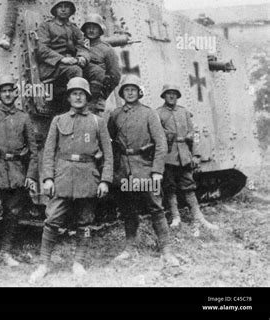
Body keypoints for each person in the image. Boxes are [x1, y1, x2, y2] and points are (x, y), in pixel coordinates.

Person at [29, 77, 113, 282]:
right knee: (52, 220)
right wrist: (47, 178)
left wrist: (105, 180)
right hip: (63, 177)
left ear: (87, 97)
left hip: (88, 177)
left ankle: (79, 262)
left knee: (85, 222)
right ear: (68, 97)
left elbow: (108, 155)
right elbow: (48, 152)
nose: (77, 97)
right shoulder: (58, 120)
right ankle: (44, 264)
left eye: (81, 93)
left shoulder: (97, 122)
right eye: (74, 93)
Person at [107, 75, 179, 266]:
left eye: (133, 89)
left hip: (145, 169)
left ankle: (166, 250)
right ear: (122, 93)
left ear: (139, 92)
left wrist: (156, 170)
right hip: (124, 170)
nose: (130, 93)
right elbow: (110, 143)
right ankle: (129, 248)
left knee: (155, 208)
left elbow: (161, 143)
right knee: (128, 210)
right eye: (126, 90)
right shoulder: (115, 115)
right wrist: (114, 169)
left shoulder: (149, 114)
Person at [0, 74, 38, 274]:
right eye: (3, 91)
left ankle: (5, 252)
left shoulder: (23, 117)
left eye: (11, 90)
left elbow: (33, 151)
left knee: (12, 214)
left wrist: (29, 175)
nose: (7, 94)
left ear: (16, 93)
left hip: (16, 174)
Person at [156, 84, 218, 236]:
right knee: (169, 187)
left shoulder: (184, 112)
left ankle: (198, 217)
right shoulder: (158, 113)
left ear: (177, 96)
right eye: (168, 94)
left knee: (188, 186)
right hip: (168, 156)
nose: (171, 96)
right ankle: (176, 216)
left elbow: (194, 134)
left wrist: (196, 154)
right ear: (164, 96)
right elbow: (157, 136)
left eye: (174, 94)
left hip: (184, 155)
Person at [36, 0, 90, 109]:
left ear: (71, 10)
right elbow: (42, 49)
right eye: (60, 6)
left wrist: (82, 57)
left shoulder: (74, 28)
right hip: (51, 66)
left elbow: (83, 46)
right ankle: (76, 107)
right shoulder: (46, 26)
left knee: (94, 70)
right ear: (55, 9)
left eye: (67, 7)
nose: (64, 10)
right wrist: (62, 59)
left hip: (70, 62)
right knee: (75, 71)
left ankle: (92, 104)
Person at [81, 13, 121, 113]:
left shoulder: (107, 50)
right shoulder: (80, 47)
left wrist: (102, 95)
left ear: (100, 30)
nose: (91, 30)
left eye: (94, 27)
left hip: (95, 98)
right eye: (88, 27)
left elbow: (114, 76)